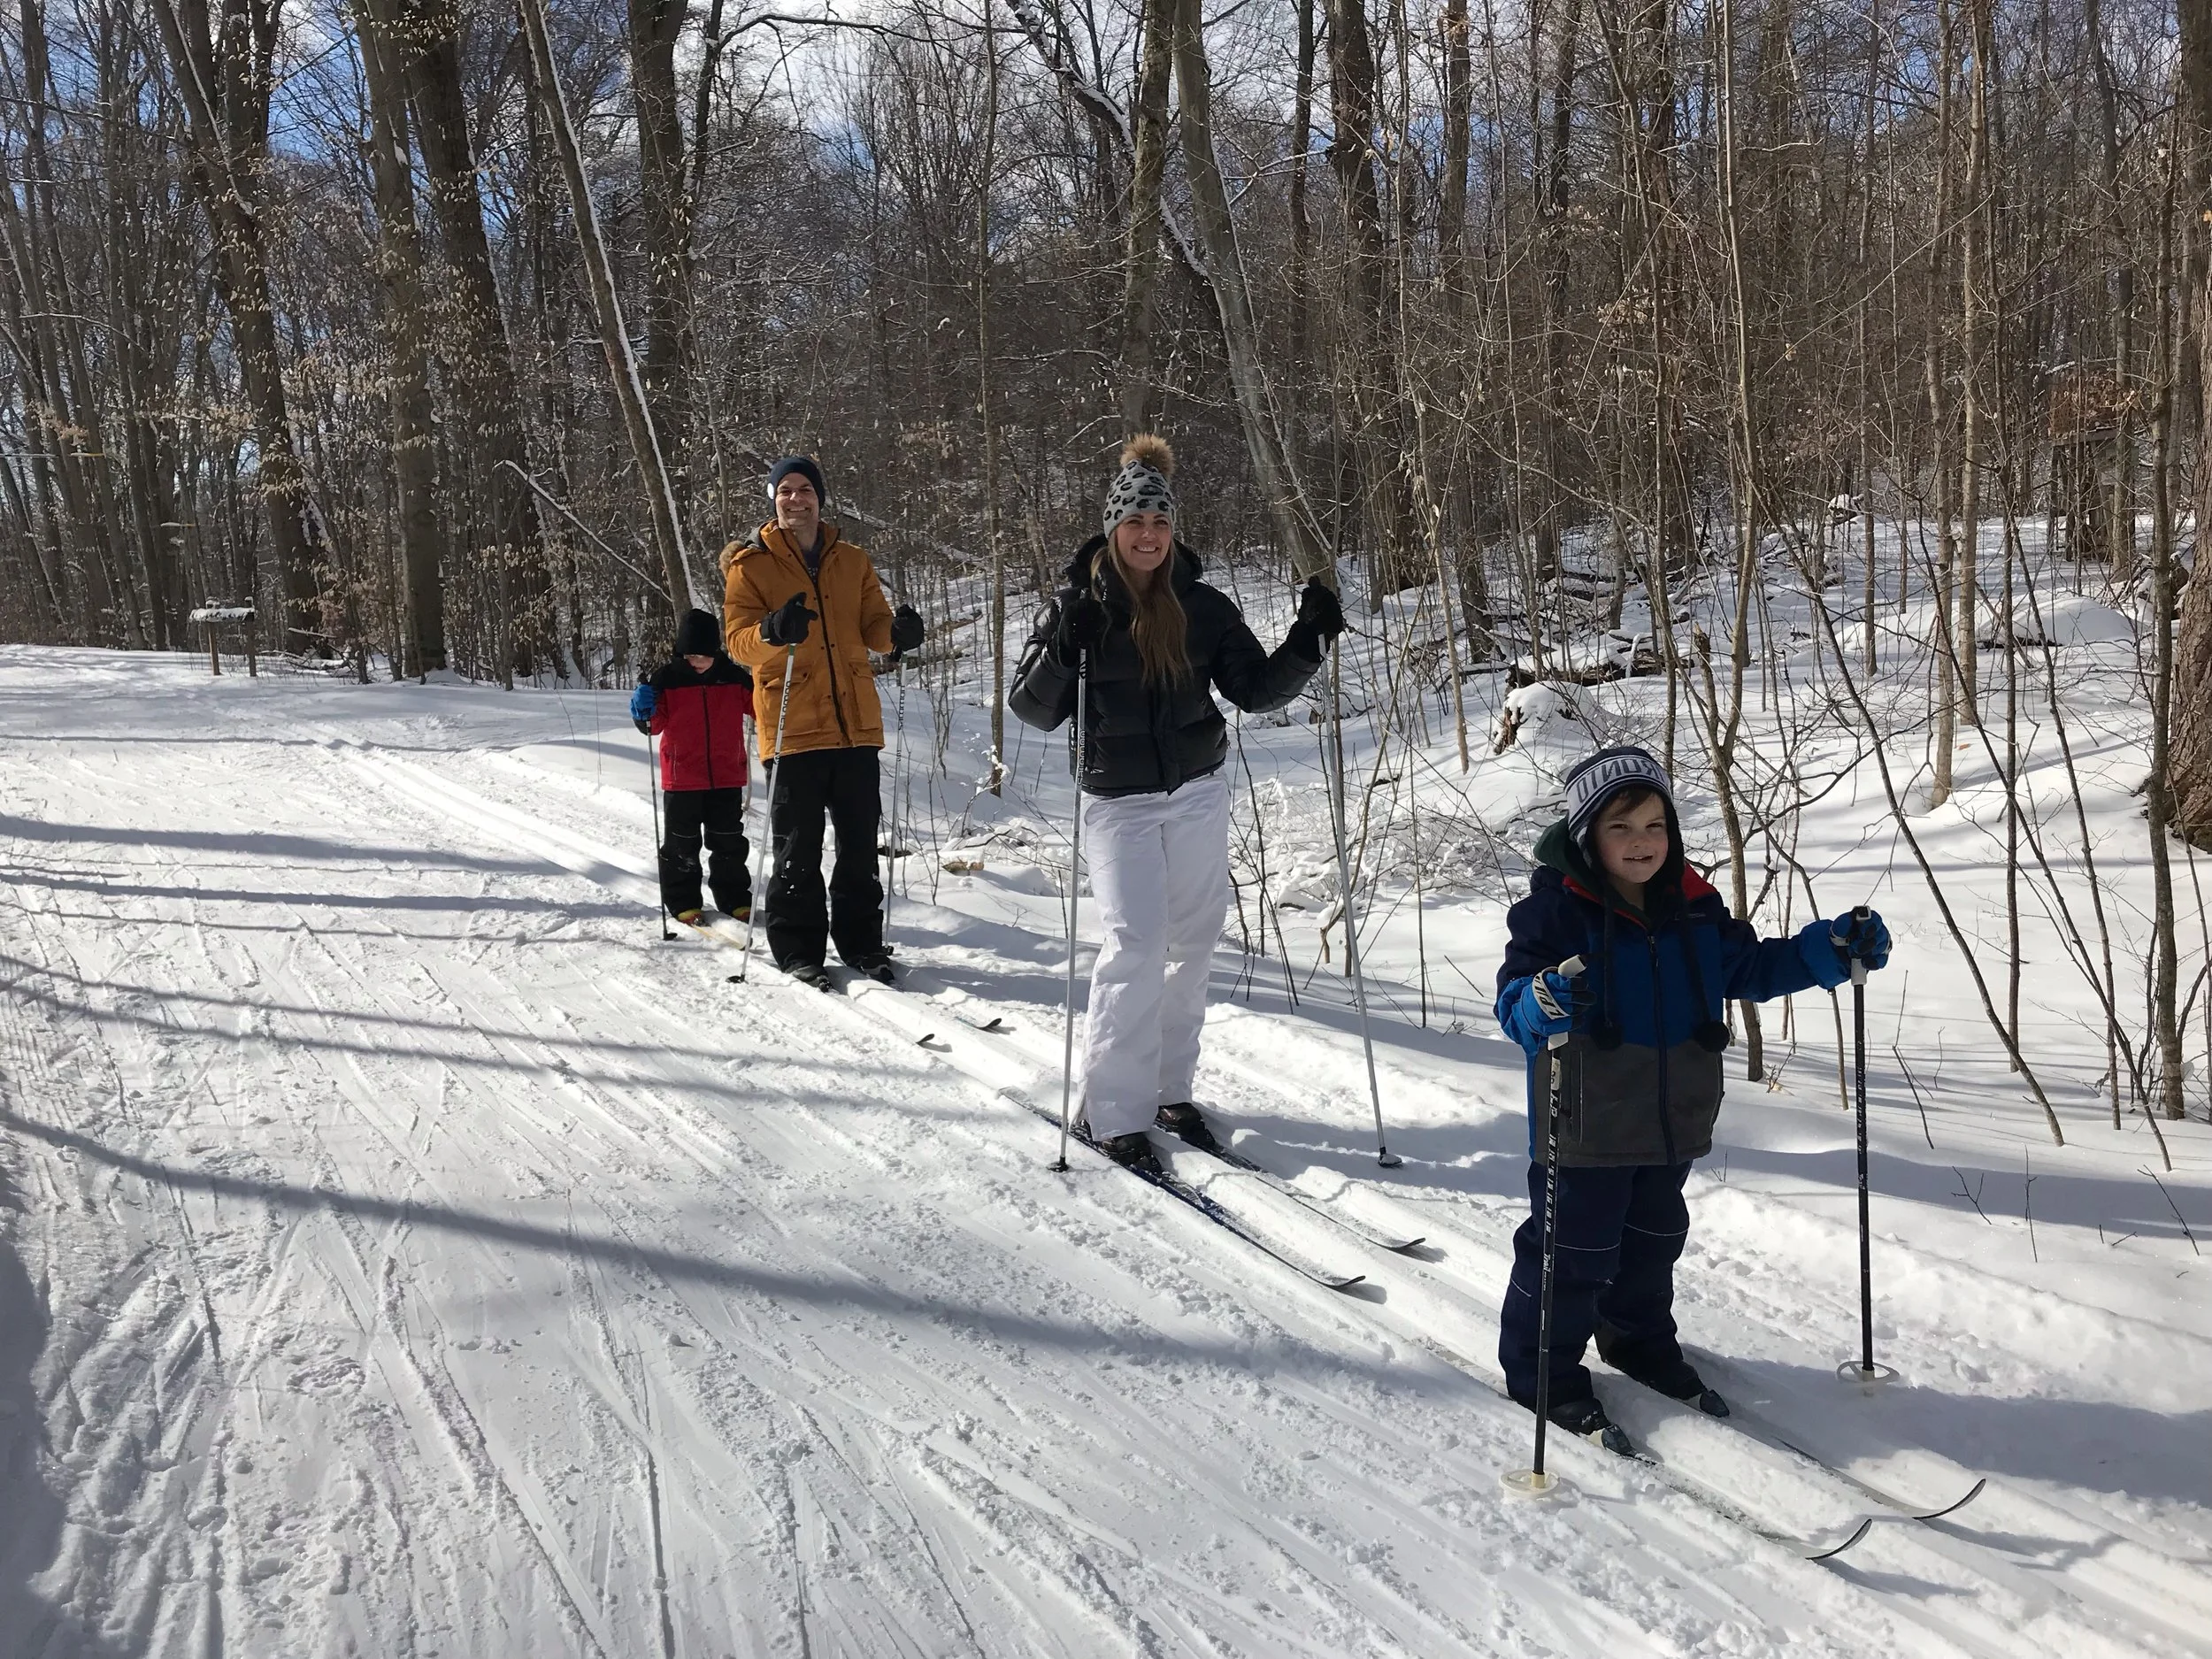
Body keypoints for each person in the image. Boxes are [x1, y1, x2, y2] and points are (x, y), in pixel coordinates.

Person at [1494, 744, 1893, 1442]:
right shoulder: (1556, 913)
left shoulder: (1694, 908)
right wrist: (1540, 1001)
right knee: (1571, 1250)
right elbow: (1514, 1004)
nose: (1641, 842)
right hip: (1584, 1119)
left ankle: (1639, 1343)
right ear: (1588, 835)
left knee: (1654, 1240)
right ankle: (1543, 1374)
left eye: (1654, 825)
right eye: (1620, 828)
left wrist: (1829, 950)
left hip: (1671, 1116)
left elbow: (1754, 967)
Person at [1009, 434, 1345, 1174]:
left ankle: (1168, 1089)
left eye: (1160, 522)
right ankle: (1112, 1109)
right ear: (1112, 527)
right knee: (1135, 945)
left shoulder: (1203, 604)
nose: (1150, 535)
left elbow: (1254, 689)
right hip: (1118, 802)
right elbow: (1032, 710)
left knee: (1192, 942)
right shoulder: (1081, 602)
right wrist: (1068, 645)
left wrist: (1307, 641)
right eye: (1136, 522)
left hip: (1196, 790)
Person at [722, 456, 925, 989]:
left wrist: (897, 635)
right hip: (792, 727)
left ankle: (861, 944)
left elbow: (873, 625)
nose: (796, 499)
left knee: (859, 848)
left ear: (820, 498)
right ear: (773, 499)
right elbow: (738, 644)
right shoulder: (750, 566)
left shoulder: (852, 559)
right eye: (785, 490)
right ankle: (798, 949)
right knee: (798, 849)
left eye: (805, 489)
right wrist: (772, 629)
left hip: (855, 725)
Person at [631, 608, 755, 924]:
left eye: (703, 656)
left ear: (716, 652)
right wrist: (641, 711)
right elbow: (652, 726)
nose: (696, 663)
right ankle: (683, 900)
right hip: (682, 777)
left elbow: (761, 710)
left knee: (729, 841)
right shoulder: (666, 680)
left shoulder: (734, 678)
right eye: (690, 656)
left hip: (727, 775)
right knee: (681, 846)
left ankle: (734, 898)